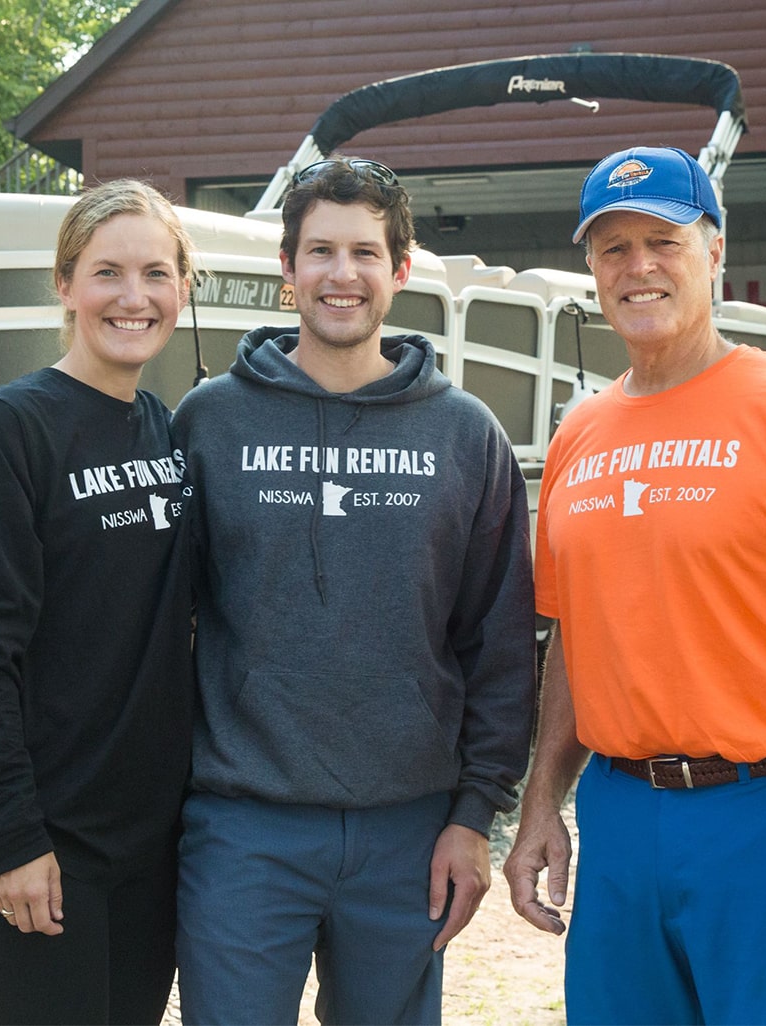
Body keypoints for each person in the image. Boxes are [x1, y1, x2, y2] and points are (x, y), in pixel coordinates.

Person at [503, 145, 766, 1025]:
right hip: (619, 823)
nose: (638, 266)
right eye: (612, 248)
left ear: (716, 251)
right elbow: (579, 635)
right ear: (590, 268)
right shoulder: (580, 431)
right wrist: (542, 801)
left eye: (663, 239)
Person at [171, 155, 537, 1025]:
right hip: (242, 825)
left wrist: (473, 812)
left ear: (399, 271)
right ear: (286, 268)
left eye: (366, 253)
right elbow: (152, 623)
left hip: (408, 831)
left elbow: (498, 638)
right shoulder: (209, 422)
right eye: (321, 252)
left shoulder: (464, 433)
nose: (343, 275)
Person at [0, 179, 196, 1025]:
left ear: (183, 288)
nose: (133, 297)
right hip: (49, 845)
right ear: (65, 284)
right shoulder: (10, 428)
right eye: (107, 272)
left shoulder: (164, 428)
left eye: (156, 273)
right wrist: (11, 837)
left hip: (150, 845)